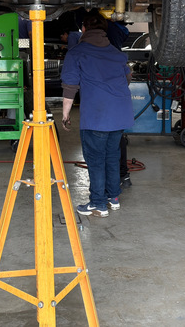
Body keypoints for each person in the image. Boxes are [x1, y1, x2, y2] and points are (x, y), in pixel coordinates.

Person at [60, 11, 133, 217]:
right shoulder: (117, 53)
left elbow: (70, 87)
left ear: (83, 29)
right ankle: (114, 198)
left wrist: (65, 115)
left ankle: (98, 203)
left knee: (95, 159)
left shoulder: (77, 53)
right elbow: (127, 77)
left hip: (97, 116)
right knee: (112, 156)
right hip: (120, 114)